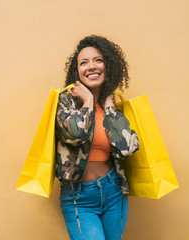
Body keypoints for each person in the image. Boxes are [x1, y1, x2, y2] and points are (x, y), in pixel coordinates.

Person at [55, 35, 139, 240]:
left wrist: (109, 108)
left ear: (107, 66)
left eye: (98, 60)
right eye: (84, 63)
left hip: (113, 192)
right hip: (79, 197)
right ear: (77, 71)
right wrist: (88, 101)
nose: (91, 66)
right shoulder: (65, 101)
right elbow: (76, 134)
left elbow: (127, 148)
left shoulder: (115, 105)